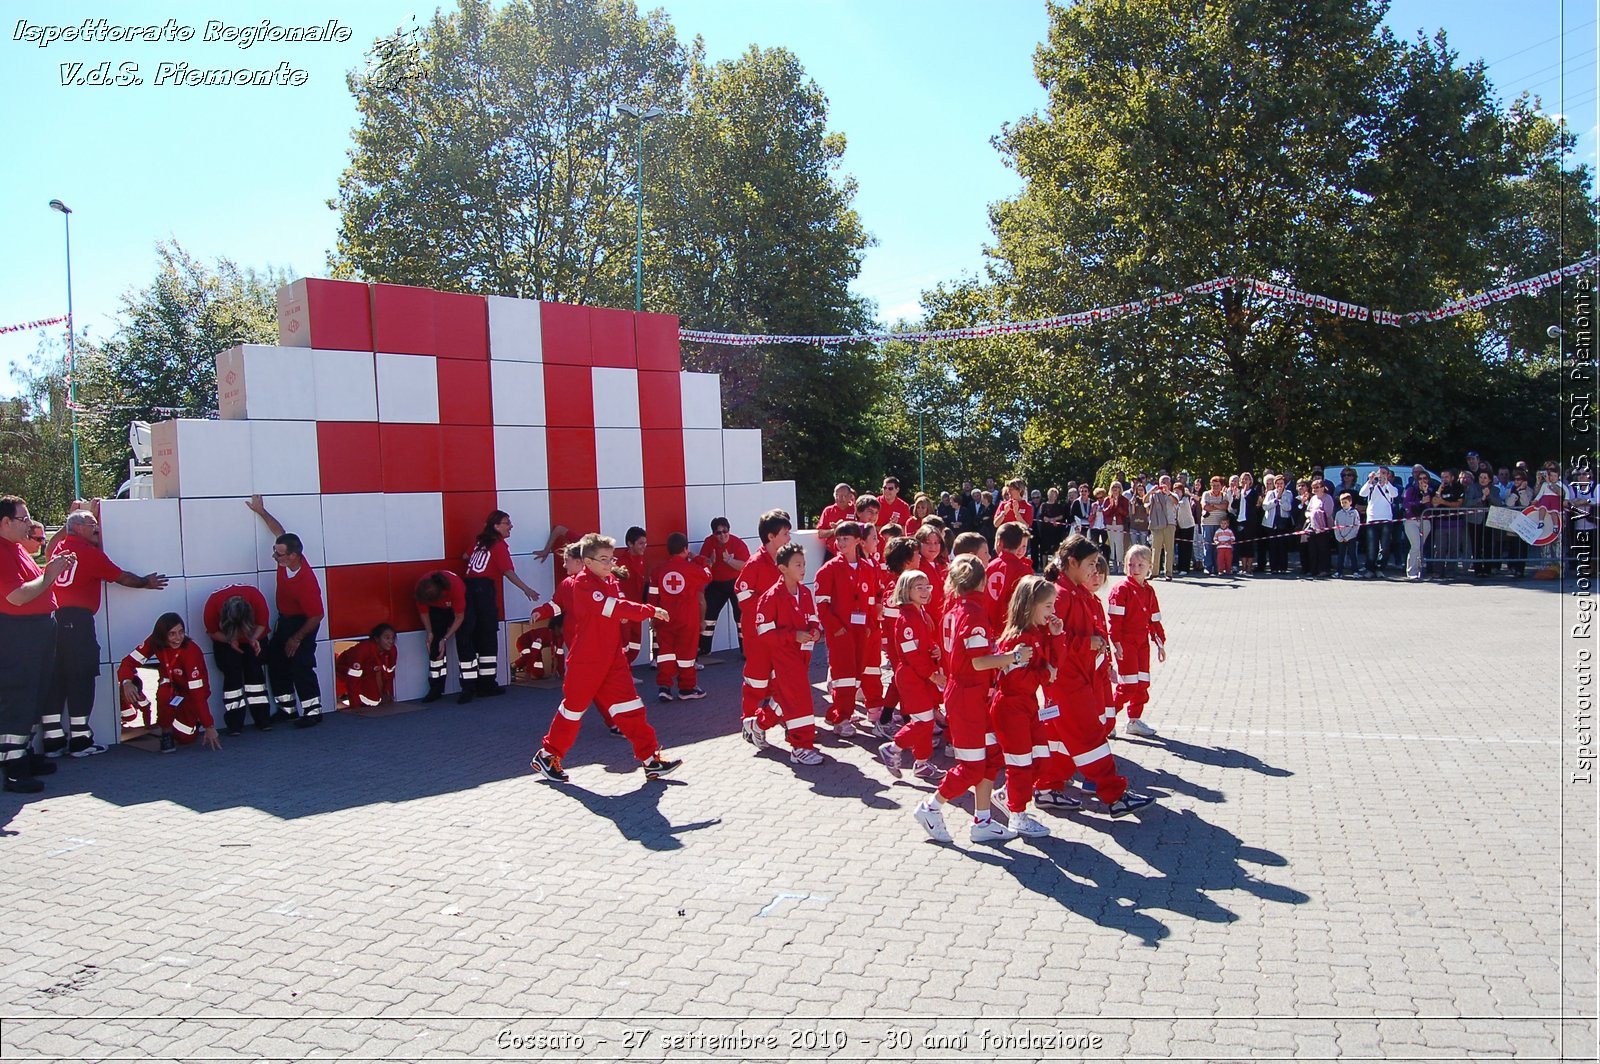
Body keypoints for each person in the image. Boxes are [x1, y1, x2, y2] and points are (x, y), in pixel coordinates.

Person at [529, 533, 682, 784]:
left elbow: (618, 605)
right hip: (586, 661)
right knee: (573, 711)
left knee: (631, 707)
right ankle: (548, 756)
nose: (609, 564)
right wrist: (650, 610)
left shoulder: (608, 579)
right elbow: (614, 607)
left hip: (612, 658)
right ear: (587, 561)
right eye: (603, 559)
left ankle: (650, 759)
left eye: (610, 559)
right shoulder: (582, 584)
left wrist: (631, 612)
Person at [1033, 536, 1153, 817]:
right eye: (1089, 564)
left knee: (1060, 741)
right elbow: (1051, 637)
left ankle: (1047, 788)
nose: (1093, 570)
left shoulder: (1074, 591)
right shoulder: (1060, 595)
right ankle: (1114, 794)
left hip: (1079, 677)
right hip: (1067, 682)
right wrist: (1087, 644)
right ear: (1072, 563)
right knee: (1090, 737)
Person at [41, 504, 170, 757]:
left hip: (54, 619)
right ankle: (80, 741)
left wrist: (80, 516)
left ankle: (52, 741)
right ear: (78, 528)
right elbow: (122, 577)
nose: (97, 528)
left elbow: (49, 546)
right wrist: (147, 582)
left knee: (55, 678)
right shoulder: (88, 554)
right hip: (78, 621)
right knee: (81, 677)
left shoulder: (59, 548)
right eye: (92, 525)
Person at [909, 555, 1020, 844]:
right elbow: (980, 662)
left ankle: (982, 820)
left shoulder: (956, 608)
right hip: (967, 696)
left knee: (992, 755)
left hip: (970, 694)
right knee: (971, 765)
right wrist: (1012, 658)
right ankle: (931, 807)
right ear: (982, 581)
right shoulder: (972, 612)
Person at [1, 496, 71, 792]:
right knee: (20, 695)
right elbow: (16, 596)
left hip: (37, 629)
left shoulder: (15, 548)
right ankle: (14, 767)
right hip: (19, 632)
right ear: (4, 522)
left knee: (36, 693)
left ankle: (25, 754)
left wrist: (49, 571)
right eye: (23, 519)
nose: (29, 524)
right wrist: (49, 575)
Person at [986, 575, 1060, 839]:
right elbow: (1018, 681)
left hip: (1028, 705)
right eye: (1048, 606)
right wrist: (1045, 674)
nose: (1053, 612)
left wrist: (1055, 636)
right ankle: (1017, 815)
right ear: (1030, 606)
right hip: (1011, 708)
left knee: (1041, 760)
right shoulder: (1017, 640)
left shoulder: (1037, 634)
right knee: (1020, 764)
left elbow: (1052, 664)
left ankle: (1008, 795)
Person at [247, 496, 325, 728]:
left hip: (304, 624)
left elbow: (316, 616)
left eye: (278, 555)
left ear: (293, 556)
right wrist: (262, 512)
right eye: (275, 552)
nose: (274, 557)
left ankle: (313, 712)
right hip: (286, 621)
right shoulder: (286, 559)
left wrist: (297, 638)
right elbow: (279, 531)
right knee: (277, 662)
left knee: (301, 665)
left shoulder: (306, 582)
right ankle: (287, 709)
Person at [752, 543, 825, 765]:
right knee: (799, 698)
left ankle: (758, 724)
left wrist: (814, 632)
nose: (803, 568)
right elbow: (763, 631)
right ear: (783, 568)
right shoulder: (771, 597)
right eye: (798, 564)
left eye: (804, 564)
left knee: (786, 697)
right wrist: (793, 636)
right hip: (784, 656)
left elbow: (812, 617)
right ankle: (800, 746)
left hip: (803, 655)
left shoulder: (804, 591)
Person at [462, 511, 542, 700]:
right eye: (507, 523)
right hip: (484, 592)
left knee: (471, 637)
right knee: (488, 637)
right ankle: (487, 684)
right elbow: (507, 571)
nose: (511, 526)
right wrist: (527, 589)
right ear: (496, 526)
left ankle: (470, 686)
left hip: (468, 590)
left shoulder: (480, 542)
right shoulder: (498, 545)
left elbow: (465, 556)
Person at [876, 569, 945, 781]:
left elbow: (921, 645)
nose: (925, 591)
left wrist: (934, 650)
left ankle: (922, 763)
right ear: (906, 591)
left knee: (923, 720)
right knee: (923, 722)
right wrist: (932, 675)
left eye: (927, 587)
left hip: (919, 675)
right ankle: (893, 748)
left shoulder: (919, 613)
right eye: (919, 587)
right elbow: (911, 654)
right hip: (912, 677)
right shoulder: (907, 618)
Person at [117, 613, 219, 754]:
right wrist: (126, 682)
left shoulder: (191, 651)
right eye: (172, 634)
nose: (178, 638)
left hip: (190, 692)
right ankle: (166, 732)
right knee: (164, 692)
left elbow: (198, 694)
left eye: (181, 632)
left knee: (185, 737)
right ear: (162, 635)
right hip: (171, 686)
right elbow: (128, 662)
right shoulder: (154, 642)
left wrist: (209, 725)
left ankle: (192, 720)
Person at [815, 522, 879, 738]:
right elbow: (822, 604)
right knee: (843, 675)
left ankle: (846, 710)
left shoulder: (868, 568)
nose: (841, 543)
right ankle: (840, 718)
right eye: (838, 538)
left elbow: (871, 599)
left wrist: (870, 625)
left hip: (862, 630)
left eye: (845, 538)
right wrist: (836, 628)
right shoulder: (829, 569)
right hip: (841, 632)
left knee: (857, 674)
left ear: (858, 541)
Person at [735, 510, 792, 744]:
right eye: (785, 534)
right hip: (758, 635)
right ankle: (749, 722)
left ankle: (783, 718)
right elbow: (742, 594)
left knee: (782, 679)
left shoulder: (783, 561)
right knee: (756, 682)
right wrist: (768, 611)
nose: (789, 538)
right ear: (771, 537)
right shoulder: (755, 563)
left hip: (778, 634)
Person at [1108, 544, 1167, 738]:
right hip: (1126, 643)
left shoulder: (1149, 591)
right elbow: (1115, 621)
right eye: (1131, 565)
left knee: (1142, 684)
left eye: (1140, 565)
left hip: (1142, 643)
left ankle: (1134, 720)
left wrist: (1160, 643)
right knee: (1128, 685)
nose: (1135, 569)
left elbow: (1154, 619)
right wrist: (1116, 643)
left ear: (1150, 566)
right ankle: (1107, 719)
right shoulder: (1121, 590)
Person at [649, 533, 712, 702]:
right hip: (687, 619)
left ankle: (665, 687)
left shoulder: (658, 570)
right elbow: (708, 574)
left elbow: (652, 597)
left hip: (664, 618)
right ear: (685, 549)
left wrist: (653, 616)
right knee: (687, 656)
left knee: (665, 654)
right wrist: (697, 558)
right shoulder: (692, 569)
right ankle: (687, 688)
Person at [203, 582, 272, 733]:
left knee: (255, 676)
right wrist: (229, 639)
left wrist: (253, 639)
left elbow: (262, 623)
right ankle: (234, 724)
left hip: (254, 636)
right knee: (232, 679)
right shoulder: (213, 604)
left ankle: (263, 720)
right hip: (225, 641)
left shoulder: (256, 598)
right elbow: (212, 631)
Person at [693, 518, 748, 659]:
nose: (723, 535)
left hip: (736, 583)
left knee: (741, 617)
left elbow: (745, 566)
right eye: (718, 533)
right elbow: (702, 563)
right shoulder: (709, 542)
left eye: (725, 531)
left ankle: (746, 650)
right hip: (717, 584)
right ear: (713, 534)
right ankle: (704, 649)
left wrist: (729, 561)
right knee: (708, 614)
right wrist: (709, 562)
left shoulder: (737, 543)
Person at [415, 569, 469, 703]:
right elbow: (424, 613)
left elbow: (459, 617)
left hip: (458, 609)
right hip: (438, 612)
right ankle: (436, 689)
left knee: (464, 643)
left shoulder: (455, 587)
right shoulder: (422, 588)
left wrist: (445, 639)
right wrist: (430, 633)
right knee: (435, 648)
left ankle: (468, 689)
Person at [984, 521, 1034, 628]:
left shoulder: (991, 565)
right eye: (1020, 546)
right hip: (1010, 627)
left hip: (989, 625)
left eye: (1024, 547)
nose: (1021, 550)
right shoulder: (1023, 570)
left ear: (1000, 542)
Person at [337, 624, 397, 709]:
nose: (391, 641)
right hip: (342, 673)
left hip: (368, 672)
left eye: (393, 638)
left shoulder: (392, 650)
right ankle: (346, 699)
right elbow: (353, 681)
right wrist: (355, 707)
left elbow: (390, 675)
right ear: (377, 639)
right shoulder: (362, 651)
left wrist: (389, 695)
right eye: (387, 638)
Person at [616, 526, 649, 664]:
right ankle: (623, 674)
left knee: (635, 643)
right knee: (624, 643)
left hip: (637, 609)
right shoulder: (621, 563)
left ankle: (627, 671)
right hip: (625, 611)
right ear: (630, 544)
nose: (644, 546)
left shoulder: (641, 559)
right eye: (641, 543)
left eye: (645, 543)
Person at [1360, 466, 1401, 576]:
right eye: (1380, 473)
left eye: (1384, 473)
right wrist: (1370, 480)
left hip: (1386, 519)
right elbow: (1362, 493)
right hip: (1372, 519)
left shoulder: (1390, 487)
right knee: (1371, 546)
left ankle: (1380, 568)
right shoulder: (1372, 486)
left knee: (1385, 546)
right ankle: (1370, 569)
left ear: (1388, 475)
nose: (1382, 475)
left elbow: (1395, 494)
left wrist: (1387, 483)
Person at [1465, 467, 1502, 576]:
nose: (1482, 479)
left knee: (1488, 545)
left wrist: (1489, 495)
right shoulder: (1473, 488)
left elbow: (1498, 503)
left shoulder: (1495, 489)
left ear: (1490, 479)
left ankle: (1487, 569)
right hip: (1475, 520)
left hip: (1489, 520)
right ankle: (1477, 569)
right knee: (1476, 544)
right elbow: (1468, 503)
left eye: (1485, 478)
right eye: (1481, 477)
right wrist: (1481, 498)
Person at [1401, 470, 1435, 582]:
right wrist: (1420, 502)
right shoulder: (1410, 490)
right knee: (1415, 545)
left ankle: (1420, 569)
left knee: (1421, 546)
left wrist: (1426, 494)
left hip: (1425, 521)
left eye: (1425, 478)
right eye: (1420, 478)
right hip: (1411, 521)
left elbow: (1430, 506)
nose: (1422, 481)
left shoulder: (1430, 491)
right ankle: (1411, 571)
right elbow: (1406, 504)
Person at [1431, 469, 1467, 576]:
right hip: (1441, 524)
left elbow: (1458, 504)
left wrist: (1443, 502)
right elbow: (1434, 504)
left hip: (1455, 523)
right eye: (1442, 477)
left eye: (1446, 477)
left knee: (1453, 549)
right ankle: (1438, 571)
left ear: (1452, 477)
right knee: (1440, 549)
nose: (1444, 479)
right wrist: (1439, 492)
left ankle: (1451, 571)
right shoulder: (1439, 488)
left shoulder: (1458, 487)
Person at [1503, 470, 1534, 578]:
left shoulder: (1529, 490)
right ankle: (1512, 566)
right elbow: (1509, 503)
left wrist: (1521, 491)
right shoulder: (1509, 490)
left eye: (1519, 479)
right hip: (1512, 521)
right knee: (1513, 546)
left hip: (1524, 523)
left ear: (1524, 480)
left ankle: (1520, 569)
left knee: (1522, 547)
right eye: (1515, 479)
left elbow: (1525, 503)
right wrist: (1515, 492)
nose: (1516, 481)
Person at [817, 483, 856, 559]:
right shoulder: (828, 511)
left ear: (850, 496)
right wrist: (835, 529)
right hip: (832, 552)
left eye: (843, 496)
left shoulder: (855, 510)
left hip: (852, 553)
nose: (840, 498)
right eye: (837, 495)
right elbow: (820, 533)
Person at [1198, 476, 1228, 575]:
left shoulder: (1224, 495)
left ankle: (1218, 567)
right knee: (1208, 545)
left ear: (1221, 486)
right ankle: (1208, 567)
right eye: (1213, 485)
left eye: (1217, 485)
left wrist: (1213, 505)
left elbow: (1225, 506)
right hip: (1207, 523)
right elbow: (1205, 507)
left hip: (1220, 524)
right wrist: (1218, 506)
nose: (1215, 487)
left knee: (1218, 547)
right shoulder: (1206, 494)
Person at [1334, 493, 1362, 577]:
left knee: (1352, 554)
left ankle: (1355, 571)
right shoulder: (1338, 513)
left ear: (1350, 502)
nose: (1343, 504)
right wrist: (1339, 537)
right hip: (1341, 538)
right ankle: (1339, 571)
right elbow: (1336, 525)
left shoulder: (1354, 512)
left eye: (1345, 502)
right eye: (1342, 502)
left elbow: (1356, 526)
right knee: (1341, 555)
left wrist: (1348, 537)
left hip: (1351, 538)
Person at [1174, 481, 1198, 574]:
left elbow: (1178, 504)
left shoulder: (1185, 500)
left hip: (1188, 526)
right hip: (1180, 527)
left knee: (1186, 548)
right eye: (1175, 491)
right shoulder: (1176, 499)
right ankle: (1180, 567)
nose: (1177, 493)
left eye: (1179, 491)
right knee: (1180, 548)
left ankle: (1185, 568)